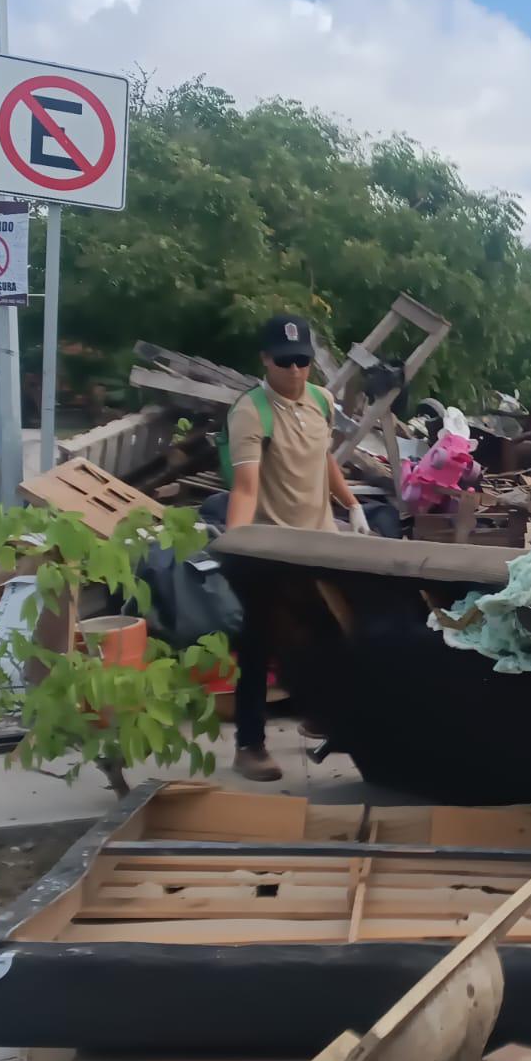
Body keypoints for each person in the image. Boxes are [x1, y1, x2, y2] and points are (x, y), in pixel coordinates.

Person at [226, 313, 373, 781]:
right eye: (284, 362)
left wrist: (351, 504)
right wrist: (237, 544)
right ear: (265, 359)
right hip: (272, 545)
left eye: (303, 362)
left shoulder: (321, 401)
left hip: (320, 542)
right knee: (258, 643)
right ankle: (249, 745)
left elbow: (323, 457)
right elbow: (246, 487)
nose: (294, 372)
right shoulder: (252, 412)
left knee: (329, 633)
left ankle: (320, 717)